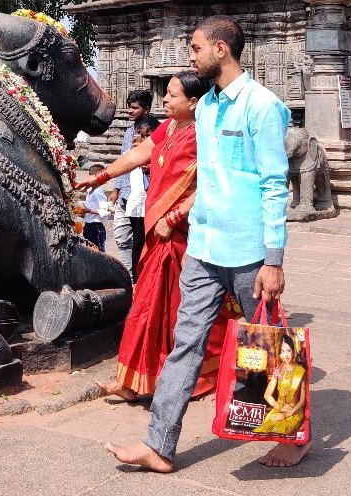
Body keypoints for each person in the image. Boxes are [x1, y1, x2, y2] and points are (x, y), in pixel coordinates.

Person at [105, 14, 311, 472]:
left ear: (221, 49)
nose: (191, 55)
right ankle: (159, 445)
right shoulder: (209, 108)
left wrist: (273, 260)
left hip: (249, 254)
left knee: (270, 347)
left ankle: (291, 436)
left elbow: (275, 185)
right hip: (203, 249)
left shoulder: (262, 106)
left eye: (196, 47)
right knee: (185, 344)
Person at [76, 71, 235, 402]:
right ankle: (133, 379)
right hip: (159, 234)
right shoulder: (169, 127)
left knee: (183, 311)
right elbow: (137, 156)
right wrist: (100, 177)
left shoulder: (206, 135)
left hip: (184, 236)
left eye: (173, 95)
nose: (164, 99)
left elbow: (211, 186)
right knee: (147, 308)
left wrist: (175, 216)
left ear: (194, 103)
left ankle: (206, 373)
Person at [108, 89, 152, 276]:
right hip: (126, 192)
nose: (130, 111)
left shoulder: (155, 130)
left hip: (143, 192)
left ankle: (136, 277)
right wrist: (116, 188)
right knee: (120, 236)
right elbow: (124, 160)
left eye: (134, 108)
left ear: (147, 109)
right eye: (129, 107)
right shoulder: (128, 132)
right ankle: (127, 273)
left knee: (139, 240)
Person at [126, 117, 160, 280]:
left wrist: (153, 167)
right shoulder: (133, 153)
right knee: (138, 240)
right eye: (143, 135)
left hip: (156, 202)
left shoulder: (162, 151)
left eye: (149, 136)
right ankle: (136, 277)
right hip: (139, 202)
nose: (146, 140)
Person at [254, 334, 306, 435]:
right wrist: (279, 408)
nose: (285, 355)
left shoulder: (300, 371)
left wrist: (285, 415)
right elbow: (267, 395)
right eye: (282, 351)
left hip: (294, 412)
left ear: (294, 351)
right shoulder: (278, 370)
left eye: (288, 351)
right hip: (279, 408)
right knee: (263, 429)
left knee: (281, 429)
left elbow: (302, 401)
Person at [80, 163, 111, 251]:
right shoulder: (90, 190)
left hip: (96, 227)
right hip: (88, 226)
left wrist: (88, 210)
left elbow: (106, 211)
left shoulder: (98, 191)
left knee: (98, 252)